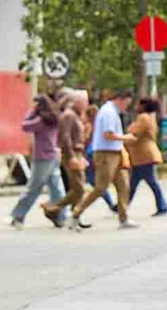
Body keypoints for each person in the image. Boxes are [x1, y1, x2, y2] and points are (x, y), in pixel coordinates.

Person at [69, 90, 138, 230]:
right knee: (101, 187)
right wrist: (126, 137)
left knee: (124, 185)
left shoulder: (112, 111)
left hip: (116, 152)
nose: (126, 107)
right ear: (120, 99)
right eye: (126, 104)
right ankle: (76, 214)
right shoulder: (108, 112)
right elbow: (108, 134)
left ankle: (123, 218)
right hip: (106, 153)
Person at [11, 93, 66, 229]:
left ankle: (18, 216)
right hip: (53, 155)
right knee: (56, 188)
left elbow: (24, 126)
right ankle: (61, 216)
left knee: (34, 188)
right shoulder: (54, 118)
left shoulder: (41, 121)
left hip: (42, 157)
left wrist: (32, 111)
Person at [44, 89, 89, 229]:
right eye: (84, 101)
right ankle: (53, 208)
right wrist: (71, 157)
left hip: (78, 153)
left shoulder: (76, 115)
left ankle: (74, 216)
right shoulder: (68, 116)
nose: (86, 104)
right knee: (79, 188)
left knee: (78, 187)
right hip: (72, 154)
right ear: (77, 101)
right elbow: (65, 137)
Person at [125, 97, 167, 216]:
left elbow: (134, 133)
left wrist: (124, 137)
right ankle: (122, 205)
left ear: (143, 106)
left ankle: (162, 206)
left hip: (144, 155)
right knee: (133, 183)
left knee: (151, 182)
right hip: (142, 156)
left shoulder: (143, 118)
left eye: (139, 104)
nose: (136, 107)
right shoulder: (149, 118)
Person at [81, 102, 118, 213]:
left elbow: (85, 140)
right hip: (100, 153)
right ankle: (111, 203)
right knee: (96, 181)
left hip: (90, 154)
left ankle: (75, 207)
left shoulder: (89, 126)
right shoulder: (101, 125)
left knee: (92, 181)